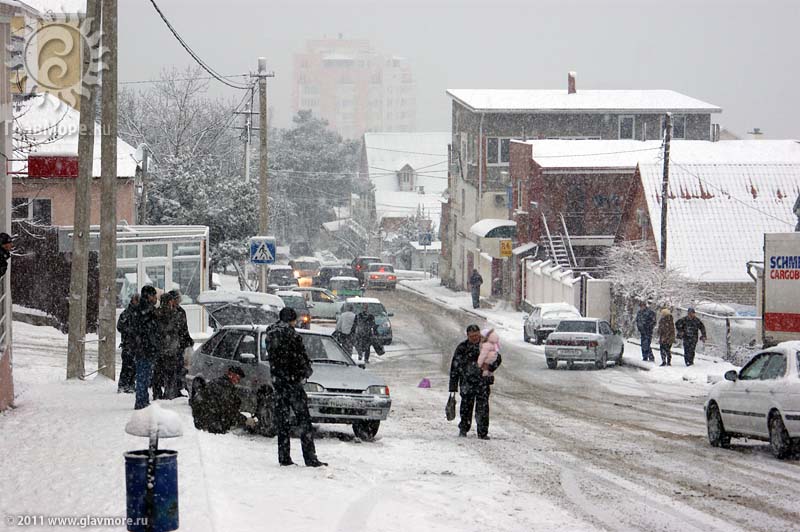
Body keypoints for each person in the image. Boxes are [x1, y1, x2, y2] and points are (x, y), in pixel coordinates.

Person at [265, 307, 327, 467]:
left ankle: (284, 456)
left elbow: (273, 358)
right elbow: (299, 358)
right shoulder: (292, 335)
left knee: (283, 421)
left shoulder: (270, 334)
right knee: (304, 421)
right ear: (291, 320)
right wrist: (305, 371)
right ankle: (310, 457)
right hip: (292, 384)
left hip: (278, 382)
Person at [449, 324, 502, 440]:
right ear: (467, 335)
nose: (475, 338)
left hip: (482, 383)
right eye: (472, 336)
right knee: (466, 407)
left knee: (482, 408)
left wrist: (489, 367)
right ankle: (463, 429)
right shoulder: (462, 348)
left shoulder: (486, 346)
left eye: (477, 335)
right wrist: (452, 387)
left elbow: (498, 358)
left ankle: (482, 432)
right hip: (467, 382)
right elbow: (455, 367)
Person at [191, 366, 245, 434]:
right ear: (231, 375)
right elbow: (229, 411)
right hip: (206, 420)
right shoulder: (223, 387)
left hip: (204, 417)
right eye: (237, 378)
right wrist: (245, 420)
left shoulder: (222, 383)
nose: (238, 381)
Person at [132, 286, 159, 410]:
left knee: (145, 376)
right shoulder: (144, 311)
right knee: (143, 376)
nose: (155, 298)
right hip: (144, 349)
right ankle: (141, 401)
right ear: (148, 296)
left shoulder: (145, 310)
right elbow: (144, 331)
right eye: (154, 296)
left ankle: (143, 400)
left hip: (145, 348)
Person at [153, 292, 179, 400]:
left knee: (158, 373)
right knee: (169, 373)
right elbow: (173, 329)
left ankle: (157, 393)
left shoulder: (156, 313)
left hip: (159, 348)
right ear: (169, 302)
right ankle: (169, 393)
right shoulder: (172, 313)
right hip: (169, 348)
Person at [169, 290, 194, 398]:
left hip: (180, 344)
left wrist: (188, 339)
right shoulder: (168, 311)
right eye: (177, 299)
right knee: (172, 368)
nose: (178, 301)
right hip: (171, 345)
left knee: (180, 367)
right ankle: (171, 389)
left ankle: (178, 388)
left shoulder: (181, 311)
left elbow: (184, 328)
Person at [116, 294, 140, 393]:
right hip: (128, 344)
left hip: (136, 345)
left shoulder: (139, 313)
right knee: (126, 365)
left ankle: (130, 384)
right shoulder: (126, 313)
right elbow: (120, 327)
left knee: (134, 366)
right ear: (133, 301)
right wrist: (130, 331)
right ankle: (123, 385)